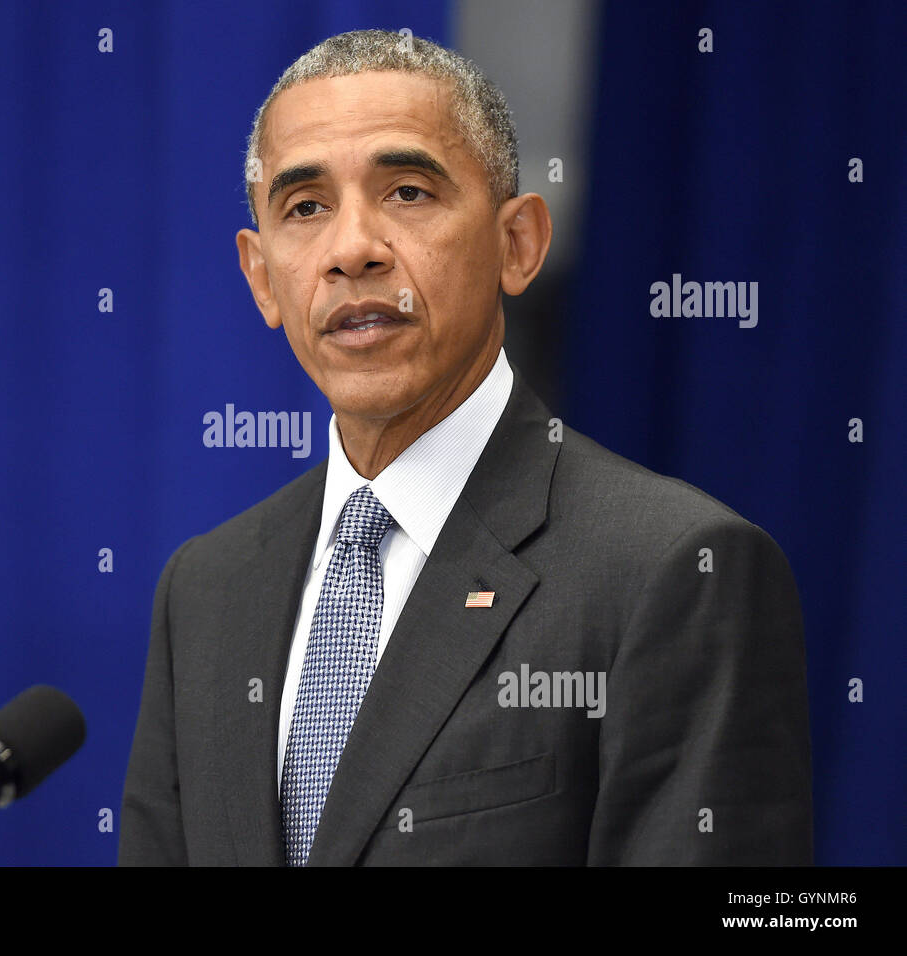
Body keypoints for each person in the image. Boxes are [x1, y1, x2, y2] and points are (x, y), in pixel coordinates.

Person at [119, 29, 812, 866]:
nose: (352, 251)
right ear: (262, 276)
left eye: (408, 192)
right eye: (305, 209)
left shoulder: (674, 569)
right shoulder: (205, 589)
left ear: (517, 244)